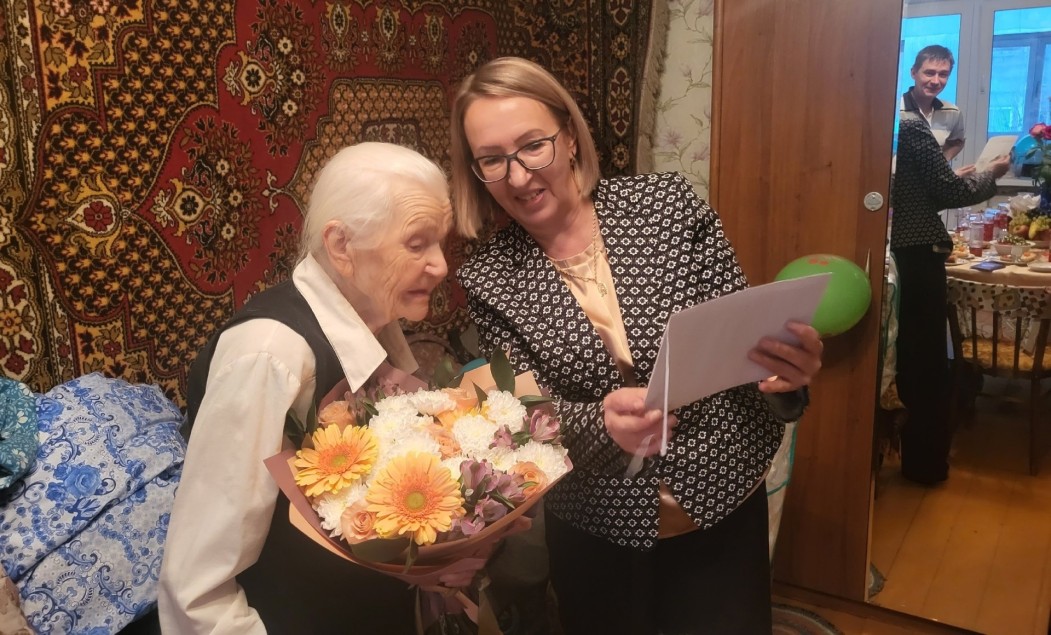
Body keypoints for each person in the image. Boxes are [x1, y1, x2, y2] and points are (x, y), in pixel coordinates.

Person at [449, 57, 824, 635]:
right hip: (599, 529)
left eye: (533, 146)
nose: (518, 177)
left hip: (720, 498)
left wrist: (783, 376)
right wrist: (600, 423)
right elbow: (519, 417)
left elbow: (742, 348)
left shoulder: (667, 205)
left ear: (570, 139)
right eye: (493, 159)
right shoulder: (490, 278)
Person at [158, 142, 457, 634]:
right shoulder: (270, 355)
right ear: (341, 246)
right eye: (416, 244)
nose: (441, 265)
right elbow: (198, 591)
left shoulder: (377, 315)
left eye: (440, 242)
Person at [890, 118, 1010, 485]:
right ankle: (925, 463)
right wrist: (992, 173)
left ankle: (917, 458)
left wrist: (951, 166)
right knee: (924, 360)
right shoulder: (913, 128)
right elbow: (950, 193)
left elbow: (919, 191)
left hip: (900, 250)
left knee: (911, 355)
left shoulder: (894, 127)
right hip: (918, 253)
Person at [900, 45, 969, 171]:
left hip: (932, 183)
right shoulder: (896, 110)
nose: (935, 81)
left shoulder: (953, 112)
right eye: (929, 73)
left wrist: (938, 167)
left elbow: (957, 142)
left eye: (943, 74)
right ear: (913, 73)